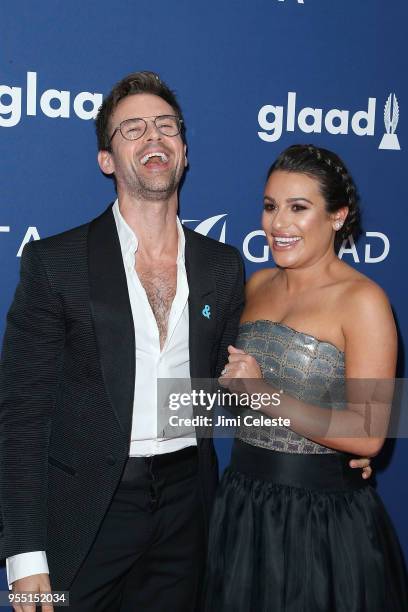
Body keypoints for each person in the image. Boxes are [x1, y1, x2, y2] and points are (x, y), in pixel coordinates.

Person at [0, 71, 245, 612]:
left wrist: (328, 440)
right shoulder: (55, 264)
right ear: (106, 160)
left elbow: (228, 394)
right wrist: (24, 557)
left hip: (187, 505)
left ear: (183, 150)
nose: (152, 138)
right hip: (85, 511)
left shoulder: (222, 266)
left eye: (165, 126)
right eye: (131, 129)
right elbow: (20, 417)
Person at [204, 144, 408, 611]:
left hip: (320, 521)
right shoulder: (255, 285)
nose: (278, 224)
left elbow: (370, 434)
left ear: (338, 215)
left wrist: (265, 395)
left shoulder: (364, 301)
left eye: (299, 208)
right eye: (271, 206)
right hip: (242, 505)